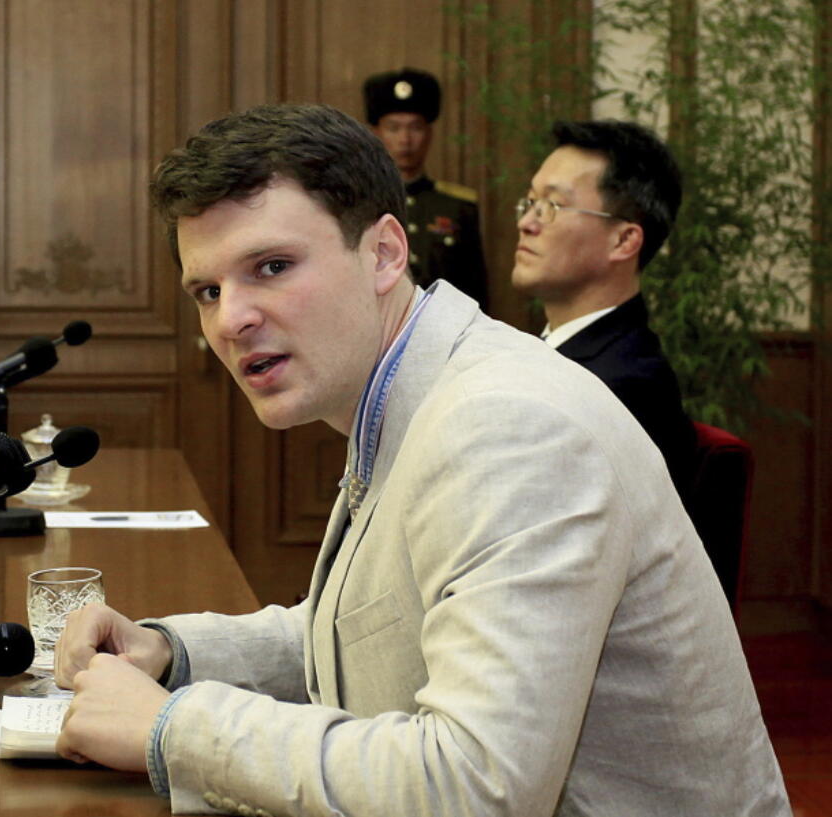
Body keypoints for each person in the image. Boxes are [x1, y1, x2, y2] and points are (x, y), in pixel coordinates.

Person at [48, 103, 788, 816]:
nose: (231, 318)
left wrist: (173, 726)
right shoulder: (412, 387)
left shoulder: (505, 426)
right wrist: (172, 652)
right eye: (207, 290)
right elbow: (365, 630)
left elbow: (475, 786)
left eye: (271, 266)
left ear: (384, 253)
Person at [511, 120, 696, 504]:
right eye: (530, 202)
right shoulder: (545, 355)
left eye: (552, 206)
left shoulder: (625, 385)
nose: (526, 223)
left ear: (624, 240)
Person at [364, 67, 489, 310]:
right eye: (394, 128)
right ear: (376, 133)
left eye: (415, 127)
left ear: (430, 133)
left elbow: (476, 292)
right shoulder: (360, 203)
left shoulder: (458, 206)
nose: (405, 139)